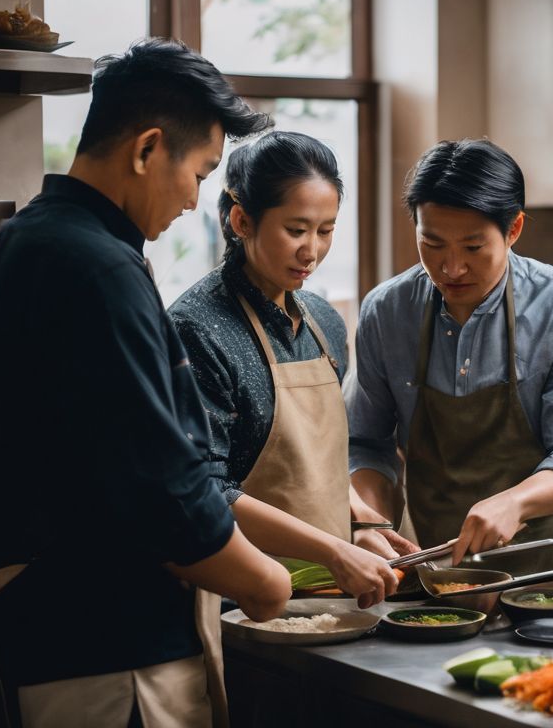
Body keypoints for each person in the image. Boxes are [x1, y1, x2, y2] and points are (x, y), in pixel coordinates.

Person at [0, 39, 291, 728]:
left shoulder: (25, 240)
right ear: (146, 149)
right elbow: (160, 484)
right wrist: (264, 580)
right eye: (197, 173)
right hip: (113, 655)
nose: (194, 198)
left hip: (52, 638)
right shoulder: (98, 268)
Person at [345, 139, 553, 570]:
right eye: (431, 243)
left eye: (472, 247)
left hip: (537, 572)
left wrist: (515, 503)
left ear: (514, 229)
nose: (451, 268)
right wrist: (370, 522)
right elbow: (367, 443)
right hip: (431, 569)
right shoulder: (387, 310)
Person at [170, 131, 406, 609]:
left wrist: (361, 523)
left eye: (326, 230)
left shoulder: (324, 321)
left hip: (334, 591)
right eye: (296, 230)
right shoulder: (197, 328)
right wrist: (335, 549)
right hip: (242, 599)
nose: (312, 251)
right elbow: (207, 492)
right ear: (241, 220)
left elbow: (318, 469)